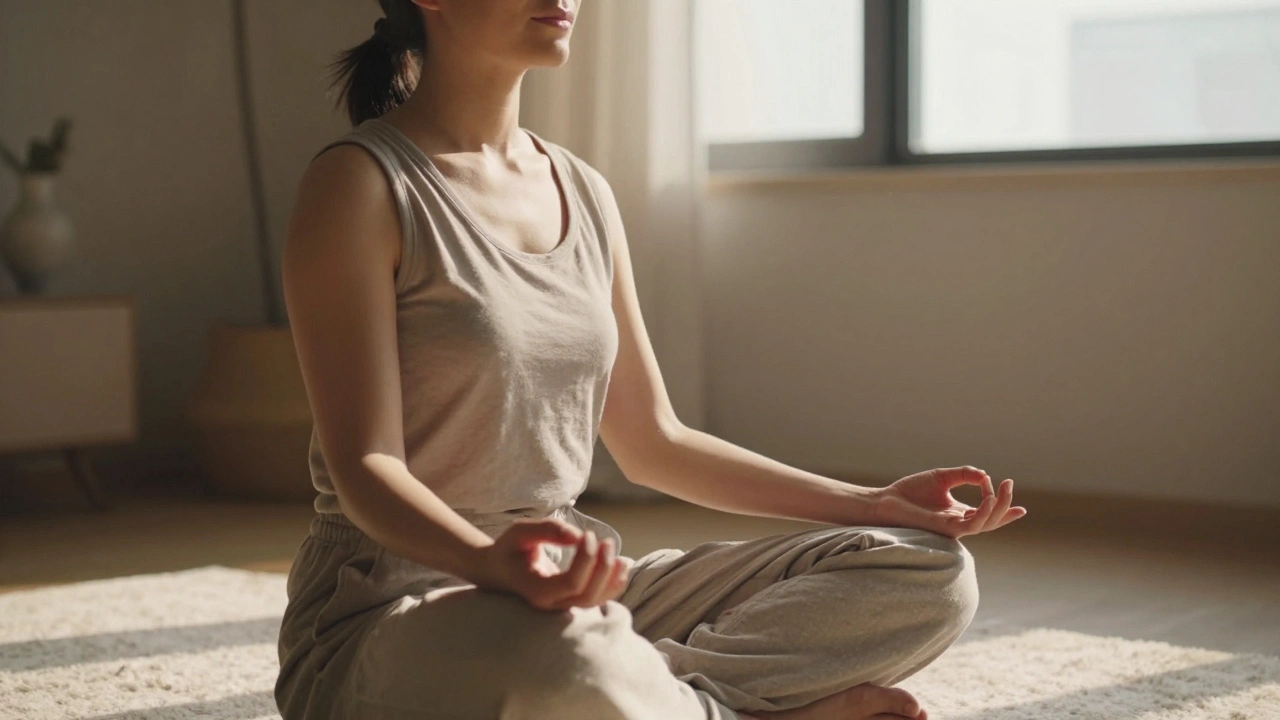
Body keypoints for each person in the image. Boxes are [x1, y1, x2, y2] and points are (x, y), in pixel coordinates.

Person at [273, 1, 1027, 719]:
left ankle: (649, 697)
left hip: (572, 592)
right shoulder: (359, 185)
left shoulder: (583, 191)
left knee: (929, 572)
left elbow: (655, 442)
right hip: (392, 612)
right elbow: (366, 465)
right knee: (568, 656)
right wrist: (489, 563)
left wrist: (873, 503)